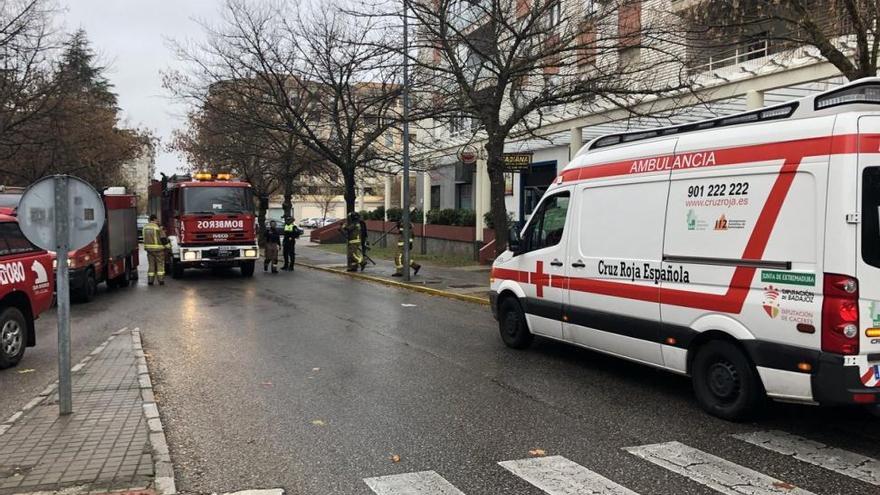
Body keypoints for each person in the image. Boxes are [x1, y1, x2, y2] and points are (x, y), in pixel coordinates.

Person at [142, 215, 170, 286]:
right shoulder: (158, 228)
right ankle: (161, 281)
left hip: (149, 250)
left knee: (151, 265)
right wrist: (168, 247)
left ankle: (150, 281)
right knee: (160, 265)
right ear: (154, 219)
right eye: (157, 220)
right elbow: (163, 239)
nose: (158, 221)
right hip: (158, 250)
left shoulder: (145, 227)